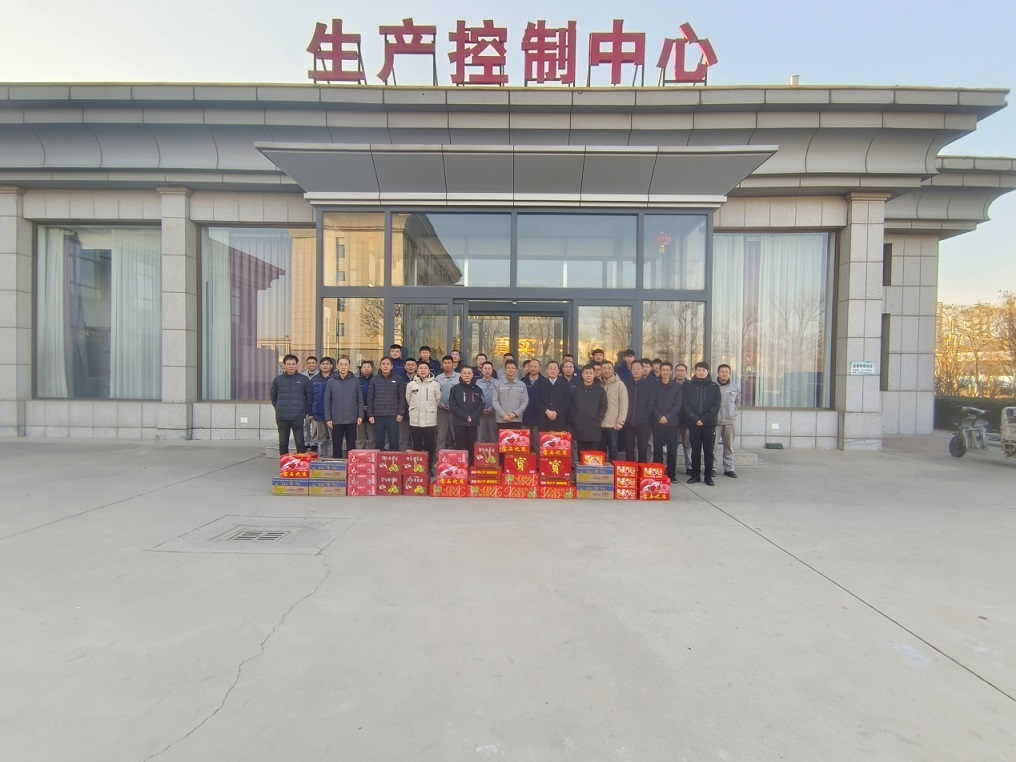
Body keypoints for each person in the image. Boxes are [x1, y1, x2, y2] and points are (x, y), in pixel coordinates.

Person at [683, 361, 721, 486]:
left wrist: (703, 419)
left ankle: (708, 476)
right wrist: (695, 419)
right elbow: (686, 404)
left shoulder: (714, 387)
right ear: (695, 371)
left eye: (703, 370)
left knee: (708, 451)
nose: (701, 372)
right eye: (698, 370)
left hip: (709, 424)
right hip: (693, 423)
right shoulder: (688, 386)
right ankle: (695, 475)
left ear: (707, 372)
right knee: (695, 450)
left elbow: (716, 406)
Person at [271, 353, 313, 457]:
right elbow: (273, 397)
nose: (291, 366)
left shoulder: (304, 379)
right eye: (288, 364)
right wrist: (279, 408)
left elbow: (309, 397)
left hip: (297, 416)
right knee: (283, 443)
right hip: (282, 417)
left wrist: (304, 411)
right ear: (284, 365)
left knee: (300, 442)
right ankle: (284, 463)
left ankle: (301, 464)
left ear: (297, 365)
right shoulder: (278, 380)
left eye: (293, 364)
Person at [324, 356, 363, 459]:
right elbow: (327, 401)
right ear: (337, 366)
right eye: (341, 365)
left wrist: (360, 415)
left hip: (352, 418)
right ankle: (337, 464)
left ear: (349, 366)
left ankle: (351, 464)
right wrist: (328, 418)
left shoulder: (355, 381)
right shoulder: (331, 381)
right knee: (336, 444)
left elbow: (360, 400)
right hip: (336, 418)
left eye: (346, 365)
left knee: (351, 444)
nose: (343, 367)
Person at [652, 362, 684, 480]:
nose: (665, 372)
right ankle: (658, 472)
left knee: (672, 450)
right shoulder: (654, 386)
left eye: (667, 370)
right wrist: (659, 416)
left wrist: (667, 417)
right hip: (657, 422)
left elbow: (678, 405)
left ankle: (671, 473)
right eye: (663, 370)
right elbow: (652, 403)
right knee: (657, 449)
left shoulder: (677, 387)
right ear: (660, 371)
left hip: (672, 423)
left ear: (671, 372)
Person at [367, 356, 407, 452]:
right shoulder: (374, 379)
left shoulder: (398, 379)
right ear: (380, 366)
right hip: (378, 415)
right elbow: (370, 398)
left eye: (388, 364)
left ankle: (394, 461)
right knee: (379, 442)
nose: (385, 366)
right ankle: (380, 461)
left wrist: (401, 413)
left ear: (391, 366)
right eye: (383, 364)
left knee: (394, 441)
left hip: (393, 415)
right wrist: (370, 414)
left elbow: (402, 397)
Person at [406, 363, 441, 471]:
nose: (423, 370)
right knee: (416, 445)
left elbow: (437, 399)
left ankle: (428, 468)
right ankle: (418, 468)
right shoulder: (411, 385)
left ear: (429, 370)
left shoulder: (435, 384)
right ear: (417, 370)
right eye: (420, 368)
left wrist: (430, 408)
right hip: (415, 421)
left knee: (429, 445)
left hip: (430, 420)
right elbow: (408, 399)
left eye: (425, 368)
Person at [449, 366, 485, 463]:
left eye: (469, 373)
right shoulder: (454, 389)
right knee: (459, 445)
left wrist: (472, 417)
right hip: (459, 422)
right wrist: (466, 416)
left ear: (472, 375)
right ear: (461, 374)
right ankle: (460, 466)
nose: (467, 375)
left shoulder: (478, 389)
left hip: (473, 422)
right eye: (464, 373)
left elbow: (481, 404)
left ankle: (471, 465)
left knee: (471, 445)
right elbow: (453, 406)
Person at [623, 360, 656, 463]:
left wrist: (646, 415)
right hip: (628, 422)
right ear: (630, 370)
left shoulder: (649, 385)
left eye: (638, 369)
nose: (636, 371)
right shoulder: (626, 384)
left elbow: (651, 402)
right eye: (634, 369)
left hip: (643, 422)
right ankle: (630, 469)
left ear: (642, 370)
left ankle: (642, 469)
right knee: (629, 448)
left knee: (643, 448)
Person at [571, 364, 608, 454]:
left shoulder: (600, 390)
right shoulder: (577, 390)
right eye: (586, 373)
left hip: (594, 427)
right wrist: (575, 419)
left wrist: (599, 419)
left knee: (593, 454)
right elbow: (572, 406)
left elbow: (603, 406)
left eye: (590, 373)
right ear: (582, 375)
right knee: (581, 453)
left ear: (594, 374)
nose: (588, 375)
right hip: (580, 427)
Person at [715, 363, 742, 478]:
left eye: (726, 372)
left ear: (730, 373)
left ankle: (729, 468)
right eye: (722, 372)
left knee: (729, 446)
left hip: (730, 421)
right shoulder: (713, 386)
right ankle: (712, 468)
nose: (724, 374)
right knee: (713, 447)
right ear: (718, 373)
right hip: (715, 422)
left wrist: (732, 413)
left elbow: (737, 402)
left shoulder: (735, 387)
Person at [599, 359, 627, 462]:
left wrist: (620, 421)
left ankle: (614, 469)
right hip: (599, 422)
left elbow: (624, 404)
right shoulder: (597, 383)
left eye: (609, 368)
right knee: (600, 450)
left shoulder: (620, 384)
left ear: (613, 370)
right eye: (604, 368)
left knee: (613, 449)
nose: (606, 370)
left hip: (613, 423)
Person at [308, 356, 334, 456]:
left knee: (334, 438)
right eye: (323, 364)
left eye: (327, 364)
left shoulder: (335, 378)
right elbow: (310, 397)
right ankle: (322, 458)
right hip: (318, 413)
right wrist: (310, 412)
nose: (325, 366)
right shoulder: (314, 379)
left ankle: (334, 458)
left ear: (331, 366)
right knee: (321, 438)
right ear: (320, 365)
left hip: (333, 414)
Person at [434, 355, 460, 451]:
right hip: (441, 411)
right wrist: (441, 405)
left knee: (457, 435)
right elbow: (435, 394)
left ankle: (458, 457)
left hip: (456, 412)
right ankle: (439, 457)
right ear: (442, 365)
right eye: (445, 363)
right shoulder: (438, 378)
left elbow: (461, 393)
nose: (447, 365)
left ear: (453, 364)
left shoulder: (459, 377)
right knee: (441, 436)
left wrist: (453, 406)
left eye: (449, 363)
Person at [492, 360, 528, 429]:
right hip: (502, 419)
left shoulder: (522, 384)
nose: (510, 370)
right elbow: (495, 401)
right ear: (505, 370)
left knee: (515, 436)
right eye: (508, 368)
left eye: (512, 368)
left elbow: (525, 401)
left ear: (516, 370)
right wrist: (503, 415)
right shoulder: (498, 384)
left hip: (516, 419)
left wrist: (515, 414)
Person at [537, 360, 571, 432]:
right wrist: (546, 411)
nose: (552, 371)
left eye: (555, 369)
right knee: (545, 438)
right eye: (550, 369)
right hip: (544, 420)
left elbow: (567, 401)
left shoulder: (564, 384)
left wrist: (556, 412)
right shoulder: (541, 383)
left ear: (558, 371)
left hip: (559, 419)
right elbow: (537, 400)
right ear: (546, 370)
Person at [675, 363, 693, 474]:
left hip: (687, 421)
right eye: (678, 370)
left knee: (687, 445)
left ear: (686, 372)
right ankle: (671, 466)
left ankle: (689, 466)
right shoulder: (671, 384)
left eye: (682, 370)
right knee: (673, 445)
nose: (680, 372)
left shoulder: (690, 385)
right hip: (673, 420)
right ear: (675, 372)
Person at [521, 359, 543, 450]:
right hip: (525, 416)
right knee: (524, 443)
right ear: (528, 368)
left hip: (539, 417)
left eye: (535, 366)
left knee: (538, 443)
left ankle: (538, 460)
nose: (533, 368)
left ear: (539, 368)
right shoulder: (522, 381)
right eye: (531, 366)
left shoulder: (544, 381)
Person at [475, 361, 498, 443]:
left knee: (494, 438)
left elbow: (499, 398)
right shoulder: (477, 383)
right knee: (481, 438)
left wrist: (491, 409)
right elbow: (474, 397)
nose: (487, 370)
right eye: (485, 368)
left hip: (494, 413)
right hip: (480, 414)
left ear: (492, 370)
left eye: (489, 369)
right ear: (482, 370)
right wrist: (481, 409)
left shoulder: (497, 383)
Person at [399, 358, 418, 448]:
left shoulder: (420, 378)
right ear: (405, 367)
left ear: (416, 367)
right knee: (403, 438)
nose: (410, 367)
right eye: (408, 365)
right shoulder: (399, 378)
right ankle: (402, 455)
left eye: (413, 365)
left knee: (417, 438)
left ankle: (416, 455)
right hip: (403, 411)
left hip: (417, 412)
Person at [356, 360, 375, 450]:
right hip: (360, 412)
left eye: (368, 367)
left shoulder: (375, 380)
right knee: (360, 437)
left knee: (372, 438)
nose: (366, 369)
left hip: (373, 413)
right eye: (364, 367)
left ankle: (372, 455)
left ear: (372, 369)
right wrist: (360, 407)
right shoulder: (357, 381)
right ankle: (360, 454)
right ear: (361, 369)